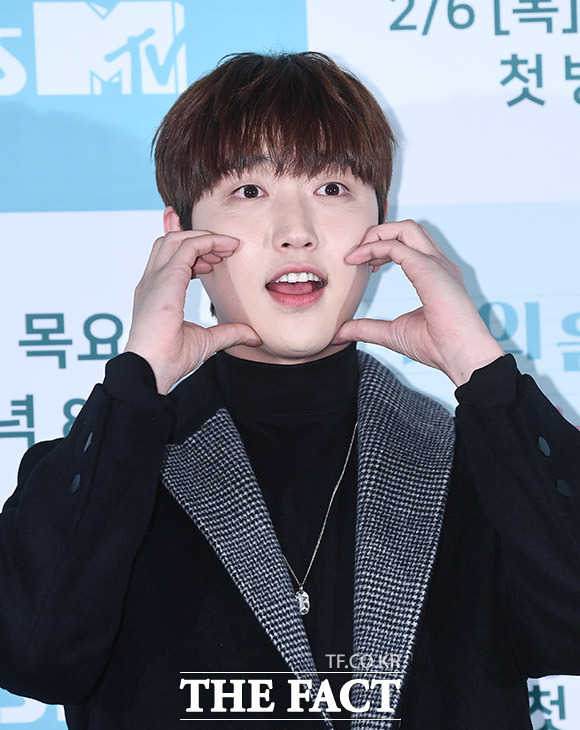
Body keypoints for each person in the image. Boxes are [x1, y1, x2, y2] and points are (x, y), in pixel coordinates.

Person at [1, 51, 579, 730]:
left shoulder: (483, 464)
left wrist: (484, 372)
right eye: (249, 191)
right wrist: (137, 385)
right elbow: (31, 656)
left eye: (331, 187)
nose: (296, 232)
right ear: (181, 236)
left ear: (382, 227)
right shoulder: (105, 472)